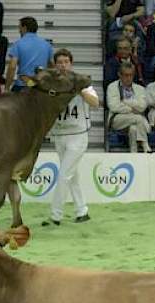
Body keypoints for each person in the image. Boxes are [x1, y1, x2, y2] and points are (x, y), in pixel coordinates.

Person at [42, 49, 99, 227]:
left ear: (71, 63)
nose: (63, 65)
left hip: (78, 135)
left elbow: (95, 103)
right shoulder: (51, 84)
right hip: (59, 135)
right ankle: (82, 211)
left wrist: (79, 90)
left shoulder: (81, 81)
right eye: (59, 62)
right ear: (55, 65)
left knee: (64, 175)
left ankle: (55, 216)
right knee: (71, 176)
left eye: (66, 61)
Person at [107, 62, 151, 153]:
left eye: (131, 75)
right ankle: (145, 144)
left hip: (134, 120)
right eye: (126, 75)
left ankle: (133, 153)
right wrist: (133, 108)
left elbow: (142, 107)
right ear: (119, 74)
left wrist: (125, 102)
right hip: (117, 118)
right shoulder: (112, 87)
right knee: (138, 118)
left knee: (133, 129)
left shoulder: (140, 89)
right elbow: (114, 106)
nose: (128, 78)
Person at [5, 17, 53, 92]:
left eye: (19, 27)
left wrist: (7, 88)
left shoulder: (18, 44)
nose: (19, 31)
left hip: (23, 86)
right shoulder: (47, 45)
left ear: (24, 28)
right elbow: (52, 66)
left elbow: (12, 67)